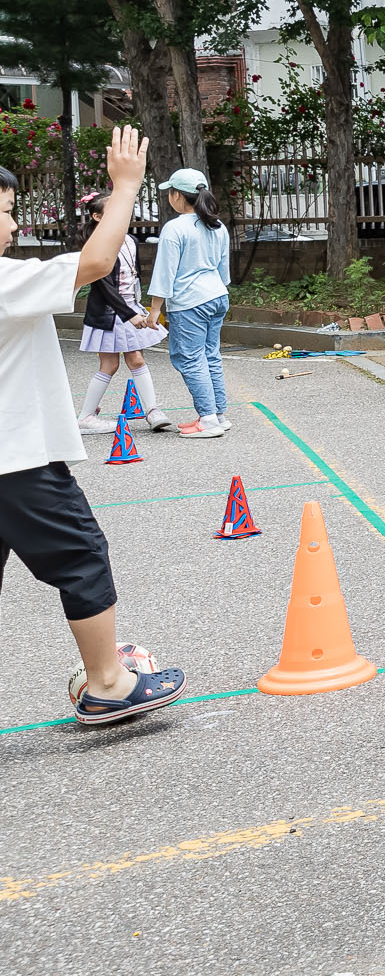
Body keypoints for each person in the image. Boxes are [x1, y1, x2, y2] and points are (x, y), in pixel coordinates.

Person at [1, 127, 188, 724]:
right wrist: (126, 184)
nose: (11, 229)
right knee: (81, 555)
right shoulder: (3, 281)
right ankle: (109, 683)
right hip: (19, 460)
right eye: (5, 215)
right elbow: (97, 260)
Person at [73, 191, 172, 435]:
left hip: (129, 307)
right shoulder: (98, 245)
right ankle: (87, 417)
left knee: (129, 360)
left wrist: (140, 308)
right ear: (97, 217)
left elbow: (134, 277)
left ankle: (151, 411)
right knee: (112, 363)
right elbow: (103, 286)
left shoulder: (129, 240)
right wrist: (130, 314)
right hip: (110, 312)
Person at [145, 168, 231, 439]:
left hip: (189, 302)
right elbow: (224, 269)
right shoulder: (217, 225)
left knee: (190, 358)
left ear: (178, 196)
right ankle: (218, 415)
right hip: (217, 295)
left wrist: (155, 308)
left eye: (170, 192)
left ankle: (207, 420)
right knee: (210, 355)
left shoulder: (175, 228)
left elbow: (164, 271)